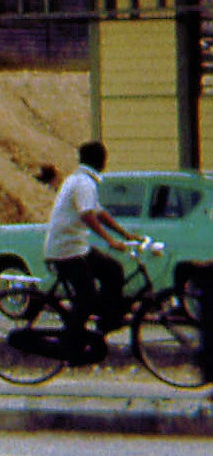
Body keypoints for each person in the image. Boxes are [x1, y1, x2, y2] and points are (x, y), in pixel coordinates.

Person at [45, 141, 145, 352]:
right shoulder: (83, 184)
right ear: (101, 161)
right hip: (66, 250)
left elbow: (100, 213)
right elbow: (87, 215)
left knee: (113, 270)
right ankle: (68, 345)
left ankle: (104, 321)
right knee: (86, 297)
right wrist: (110, 241)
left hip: (77, 247)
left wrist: (126, 235)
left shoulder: (82, 181)